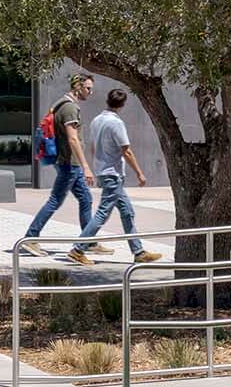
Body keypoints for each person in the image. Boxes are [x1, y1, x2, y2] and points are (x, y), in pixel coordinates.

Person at [68, 89, 163, 265]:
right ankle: (78, 249)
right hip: (113, 174)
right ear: (123, 104)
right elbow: (126, 151)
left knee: (127, 212)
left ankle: (139, 251)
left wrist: (95, 168)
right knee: (103, 214)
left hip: (104, 172)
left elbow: (93, 147)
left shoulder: (97, 120)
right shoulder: (116, 123)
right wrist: (140, 173)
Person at [21, 73, 109, 257]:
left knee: (85, 199)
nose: (90, 92)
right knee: (55, 201)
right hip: (70, 164)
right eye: (87, 88)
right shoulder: (69, 108)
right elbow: (73, 139)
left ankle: (88, 241)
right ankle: (31, 237)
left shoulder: (61, 103)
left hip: (68, 163)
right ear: (77, 86)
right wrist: (86, 166)